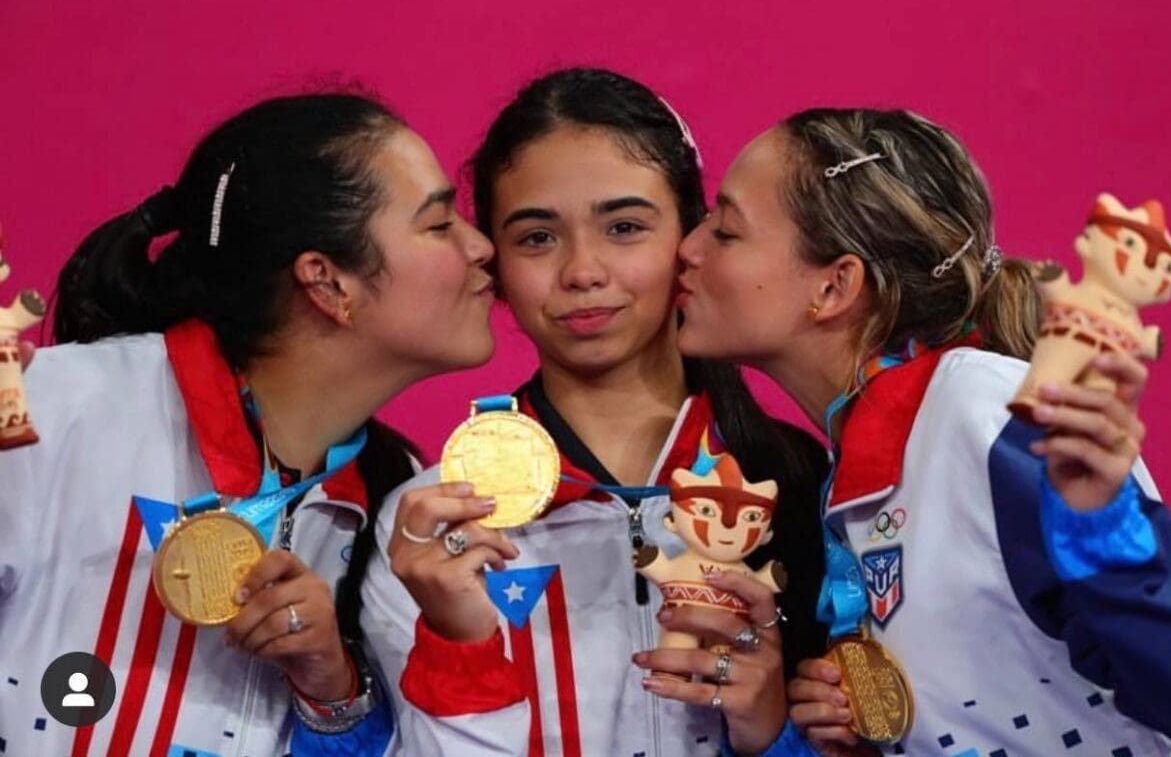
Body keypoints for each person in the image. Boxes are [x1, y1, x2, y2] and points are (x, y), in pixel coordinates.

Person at [675, 108, 1171, 755]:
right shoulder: (856, 469)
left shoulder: (988, 411)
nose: (688, 248)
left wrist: (1105, 530)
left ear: (835, 285)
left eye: (725, 230)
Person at [0, 92, 496, 756]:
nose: (482, 246)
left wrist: (332, 688)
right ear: (328, 283)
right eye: (439, 224)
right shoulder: (48, 408)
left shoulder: (396, 497)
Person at [360, 68, 830, 756]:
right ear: (492, 263)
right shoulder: (434, 525)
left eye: (624, 226)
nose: (583, 270)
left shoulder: (804, 483)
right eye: (537, 238)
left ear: (692, 241)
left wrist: (773, 736)